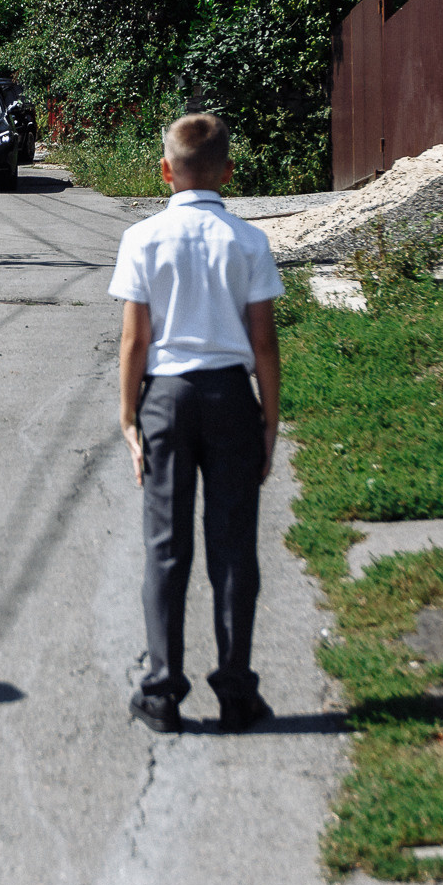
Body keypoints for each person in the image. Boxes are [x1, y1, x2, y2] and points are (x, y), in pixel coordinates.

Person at [107, 112, 284, 734]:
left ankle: (162, 694)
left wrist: (130, 418)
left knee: (166, 546)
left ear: (165, 170)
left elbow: (135, 341)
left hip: (168, 399)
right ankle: (236, 692)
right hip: (232, 398)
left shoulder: (142, 239)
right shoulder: (249, 242)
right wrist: (270, 422)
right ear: (228, 172)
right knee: (233, 546)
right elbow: (264, 342)